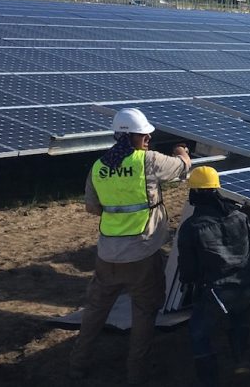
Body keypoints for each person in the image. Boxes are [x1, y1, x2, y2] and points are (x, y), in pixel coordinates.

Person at [69, 108, 191, 384]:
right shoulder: (147, 161)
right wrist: (182, 150)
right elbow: (183, 167)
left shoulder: (99, 166)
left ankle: (77, 364)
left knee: (95, 310)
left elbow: (92, 208)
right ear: (133, 137)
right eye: (144, 134)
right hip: (142, 253)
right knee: (144, 312)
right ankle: (137, 374)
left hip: (107, 254)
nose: (148, 138)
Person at [177, 166, 250, 386]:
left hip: (215, 290)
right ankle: (241, 361)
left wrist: (188, 284)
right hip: (244, 283)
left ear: (194, 193)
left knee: (199, 332)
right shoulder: (239, 216)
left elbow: (189, 269)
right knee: (238, 319)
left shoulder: (192, 227)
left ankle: (209, 380)